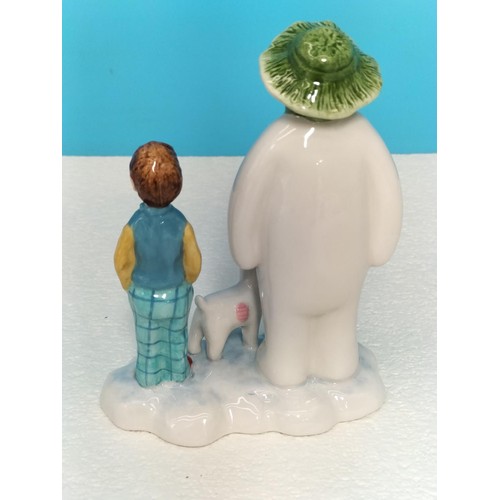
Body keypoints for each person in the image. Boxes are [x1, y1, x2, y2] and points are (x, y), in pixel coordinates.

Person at [114, 141, 202, 386]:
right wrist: (187, 281)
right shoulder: (181, 223)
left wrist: (129, 285)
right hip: (176, 294)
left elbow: (122, 261)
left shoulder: (134, 225)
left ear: (134, 184)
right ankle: (178, 372)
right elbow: (193, 262)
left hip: (144, 295)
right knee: (176, 337)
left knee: (148, 342)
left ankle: (148, 376)